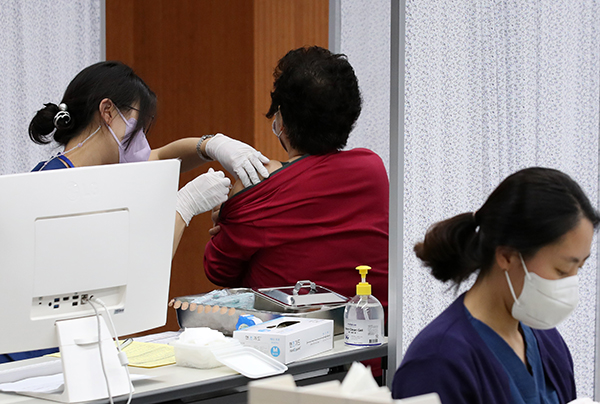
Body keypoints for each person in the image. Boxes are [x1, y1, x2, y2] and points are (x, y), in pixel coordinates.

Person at [1, 61, 267, 364]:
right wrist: (185, 204)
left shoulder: (86, 175)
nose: (142, 141)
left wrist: (211, 145)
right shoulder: (64, 190)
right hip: (35, 363)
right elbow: (139, 276)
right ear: (108, 112)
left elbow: (160, 158)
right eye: (138, 127)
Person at [204, 46, 389, 323]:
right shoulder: (371, 169)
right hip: (370, 350)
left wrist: (233, 212)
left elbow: (217, 270)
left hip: (286, 354)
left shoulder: (258, 182)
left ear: (281, 118)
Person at [392, 167, 600, 404]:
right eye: (562, 270)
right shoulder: (437, 362)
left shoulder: (547, 341)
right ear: (507, 256)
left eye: (579, 268)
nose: (571, 283)